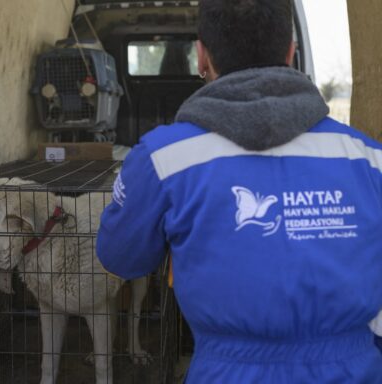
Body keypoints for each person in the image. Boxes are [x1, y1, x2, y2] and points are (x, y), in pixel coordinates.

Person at [96, 0, 382, 382]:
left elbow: (120, 257)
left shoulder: (163, 157)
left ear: (201, 57)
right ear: (291, 52)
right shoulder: (369, 159)